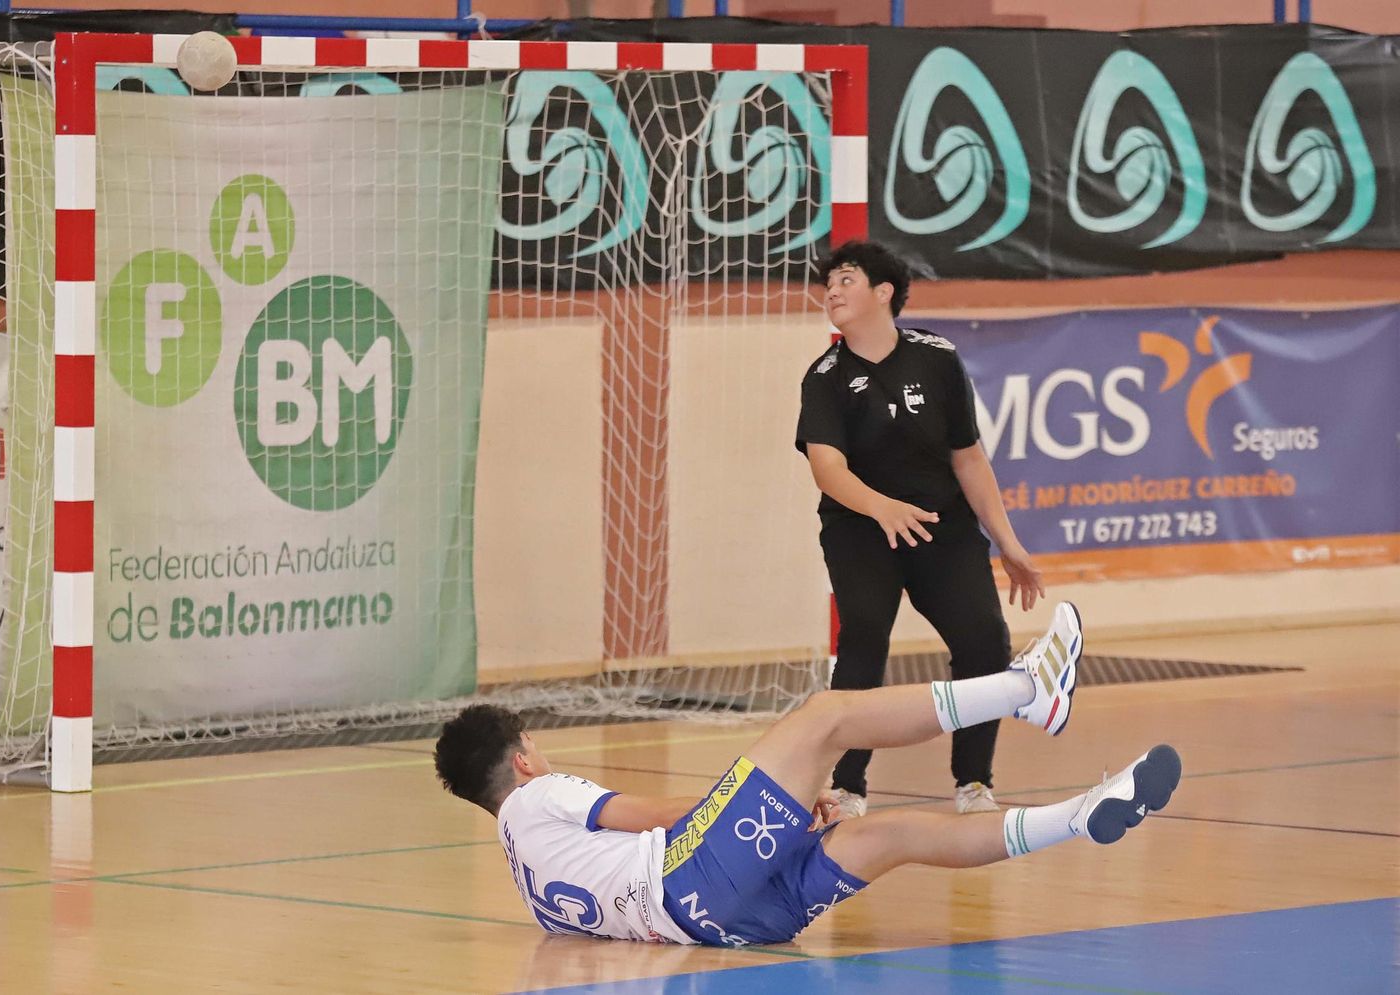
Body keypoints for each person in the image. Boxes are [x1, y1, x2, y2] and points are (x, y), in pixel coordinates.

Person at [433, 602, 1182, 947]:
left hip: (728, 927)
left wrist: (770, 819)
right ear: (524, 757)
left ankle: (1083, 813)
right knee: (823, 717)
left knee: (888, 834)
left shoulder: (528, 881)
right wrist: (770, 806)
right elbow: (653, 814)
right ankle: (1027, 690)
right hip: (697, 874)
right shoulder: (540, 794)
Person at [795, 240, 1045, 816]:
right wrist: (881, 507)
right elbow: (827, 469)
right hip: (862, 531)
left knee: (984, 638)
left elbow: (969, 457)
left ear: (883, 292)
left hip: (941, 528)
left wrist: (1008, 543)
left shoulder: (937, 358)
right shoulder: (825, 377)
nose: (831, 289)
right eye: (828, 282)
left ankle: (974, 781)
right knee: (863, 643)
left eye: (846, 279)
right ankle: (846, 786)